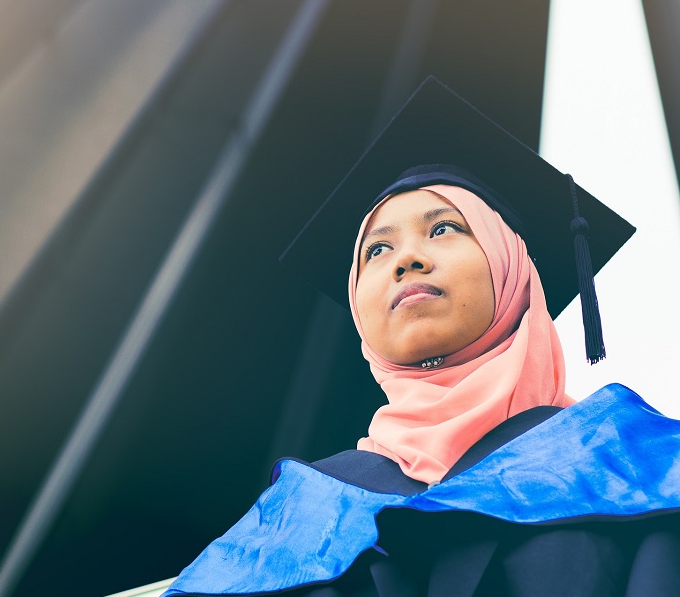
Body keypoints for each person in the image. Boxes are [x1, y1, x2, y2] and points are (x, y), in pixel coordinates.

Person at [162, 77, 680, 596]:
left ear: (512, 268)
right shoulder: (300, 514)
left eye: (443, 229)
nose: (406, 259)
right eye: (376, 251)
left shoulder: (632, 459)